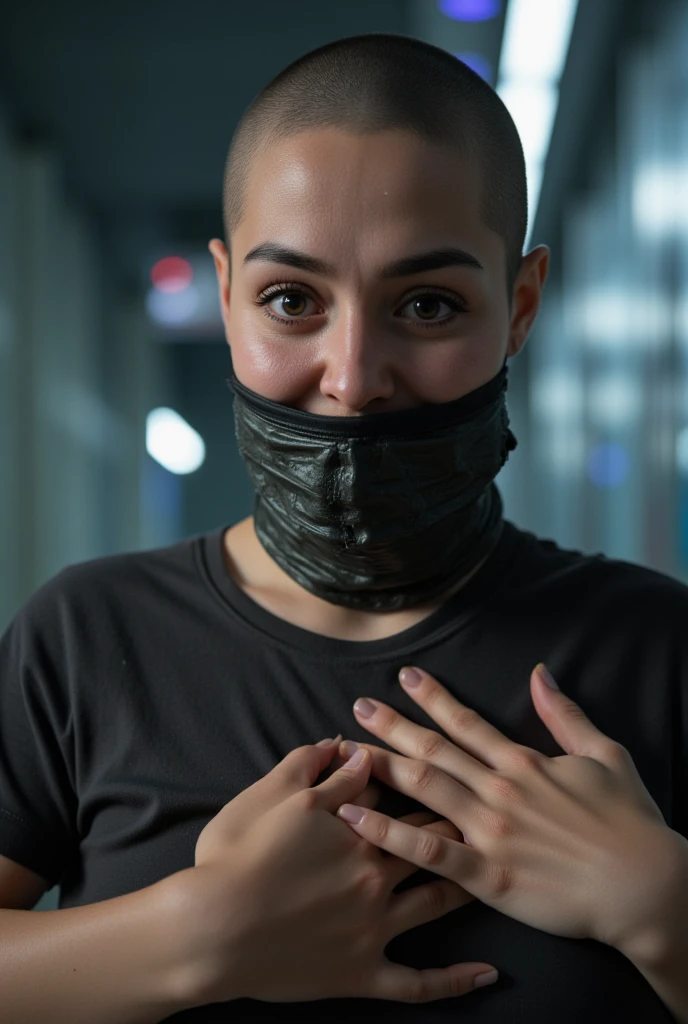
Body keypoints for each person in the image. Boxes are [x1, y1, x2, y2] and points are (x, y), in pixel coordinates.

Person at [0, 32, 686, 1024]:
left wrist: (663, 908)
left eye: (427, 303)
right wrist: (194, 935)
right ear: (229, 295)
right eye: (290, 299)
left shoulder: (655, 648)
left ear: (520, 307)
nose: (354, 376)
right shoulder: (83, 639)